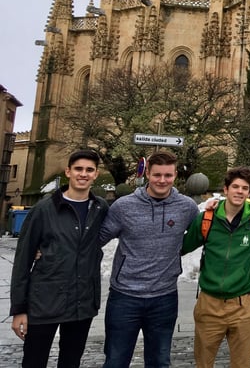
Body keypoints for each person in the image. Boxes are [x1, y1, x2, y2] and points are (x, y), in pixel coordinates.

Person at [100, 151, 199, 368]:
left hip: (164, 298)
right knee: (116, 360)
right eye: (157, 175)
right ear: (147, 174)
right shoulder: (124, 206)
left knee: (159, 361)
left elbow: (207, 230)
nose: (162, 180)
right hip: (124, 297)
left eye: (168, 175)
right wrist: (52, 247)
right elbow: (95, 240)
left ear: (175, 176)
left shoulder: (186, 207)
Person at [10, 149, 108, 368]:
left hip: (82, 303)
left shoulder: (100, 208)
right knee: (34, 361)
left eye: (89, 170)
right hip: (44, 302)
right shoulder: (44, 209)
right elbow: (23, 260)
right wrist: (19, 310)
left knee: (71, 361)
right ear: (68, 172)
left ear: (96, 174)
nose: (83, 174)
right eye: (79, 169)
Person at [181, 167, 250, 368]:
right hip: (209, 303)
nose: (239, 191)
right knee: (203, 363)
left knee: (242, 364)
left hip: (243, 305)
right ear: (225, 189)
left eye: (245, 188)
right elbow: (181, 247)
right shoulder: (207, 219)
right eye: (235, 187)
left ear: (249, 193)